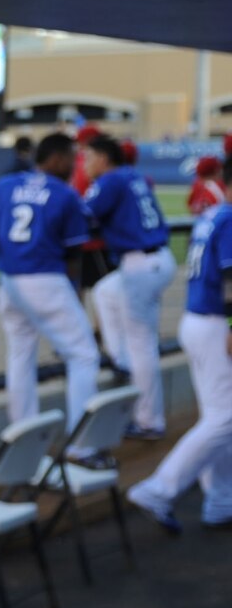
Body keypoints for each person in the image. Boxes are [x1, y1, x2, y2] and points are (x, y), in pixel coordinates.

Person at [0, 131, 101, 438]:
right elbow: (74, 250)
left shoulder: (6, 184)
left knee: (20, 354)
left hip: (8, 281)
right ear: (57, 159)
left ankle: (22, 436)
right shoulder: (64, 193)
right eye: (71, 158)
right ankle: (82, 444)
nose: (75, 165)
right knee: (84, 355)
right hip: (45, 279)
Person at [126, 203, 232, 534]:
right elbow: (230, 277)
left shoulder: (213, 214)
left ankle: (220, 501)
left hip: (198, 320)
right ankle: (157, 490)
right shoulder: (229, 218)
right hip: (215, 324)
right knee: (224, 418)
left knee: (219, 417)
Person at [82, 135, 175, 440]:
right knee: (105, 291)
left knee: (143, 346)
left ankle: (150, 421)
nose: (85, 162)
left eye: (89, 156)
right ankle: (120, 359)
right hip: (155, 259)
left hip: (140, 265)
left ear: (104, 159)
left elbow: (82, 215)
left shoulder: (110, 180)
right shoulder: (133, 176)